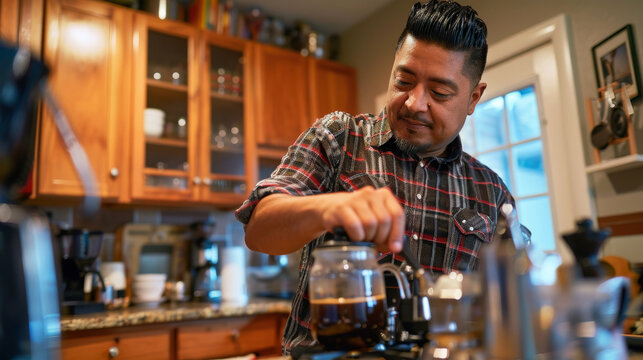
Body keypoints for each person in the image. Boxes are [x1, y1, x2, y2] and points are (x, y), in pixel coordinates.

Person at [236, 0, 527, 354]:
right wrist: (332, 208)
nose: (414, 103)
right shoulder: (339, 138)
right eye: (403, 81)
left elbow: (515, 299)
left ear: (473, 97)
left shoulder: (492, 193)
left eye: (439, 93)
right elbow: (259, 230)